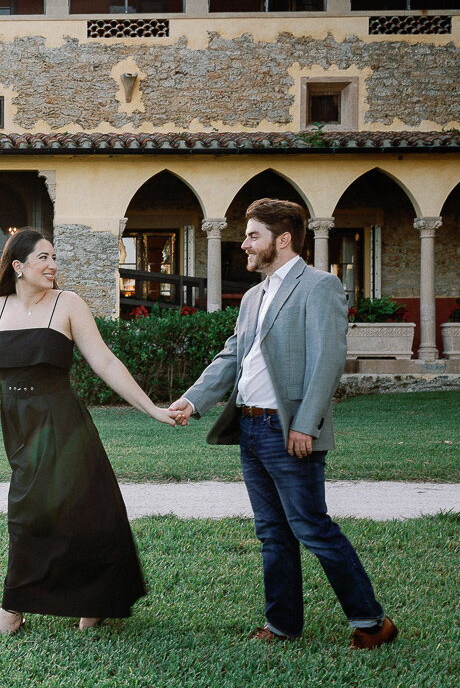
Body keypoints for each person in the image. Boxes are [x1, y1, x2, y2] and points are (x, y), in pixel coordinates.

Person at [168, 198, 397, 649]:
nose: (245, 243)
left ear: (283, 239)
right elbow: (233, 355)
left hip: (288, 430)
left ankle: (372, 623)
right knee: (272, 531)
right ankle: (283, 625)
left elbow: (328, 360)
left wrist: (305, 425)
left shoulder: (319, 286)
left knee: (311, 526)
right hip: (250, 429)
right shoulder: (254, 296)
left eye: (254, 235)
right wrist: (193, 401)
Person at [0, 227, 180, 638]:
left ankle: (24, 605)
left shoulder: (68, 304)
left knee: (77, 512)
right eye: (43, 258)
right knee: (30, 512)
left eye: (54, 257)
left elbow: (105, 362)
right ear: (18, 266)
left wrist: (151, 409)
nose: (53, 265)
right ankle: (29, 604)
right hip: (19, 424)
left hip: (61, 422)